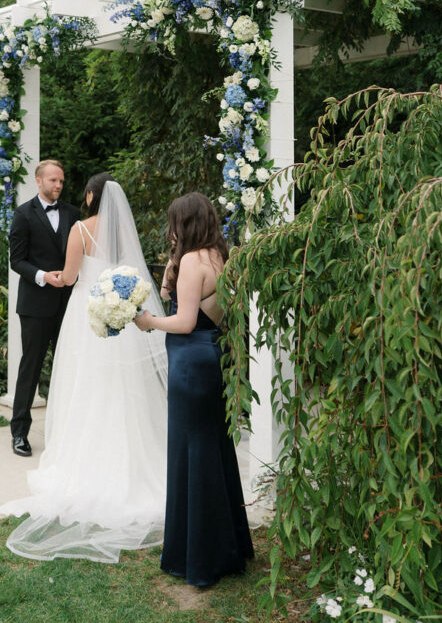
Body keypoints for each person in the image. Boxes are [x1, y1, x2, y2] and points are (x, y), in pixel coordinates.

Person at [1, 175, 168, 562]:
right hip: (121, 320)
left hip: (87, 315)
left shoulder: (80, 228)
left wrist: (58, 277)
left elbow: (72, 276)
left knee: (86, 383)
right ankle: (132, 457)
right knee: (125, 387)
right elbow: (133, 275)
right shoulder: (124, 234)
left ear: (91, 196)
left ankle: (84, 456)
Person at [135, 191, 254, 586]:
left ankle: (199, 558)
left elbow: (184, 321)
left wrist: (149, 321)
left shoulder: (191, 261)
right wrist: (171, 269)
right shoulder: (219, 255)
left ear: (182, 223)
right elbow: (194, 305)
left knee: (191, 455)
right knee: (214, 451)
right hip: (213, 355)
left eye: (173, 222)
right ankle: (228, 547)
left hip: (190, 362)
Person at [8, 159, 80, 456]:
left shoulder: (73, 214)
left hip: (68, 304)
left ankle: (66, 432)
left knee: (68, 367)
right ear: (38, 181)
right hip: (36, 305)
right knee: (31, 367)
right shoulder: (23, 214)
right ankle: (20, 433)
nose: (58, 185)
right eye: (53, 180)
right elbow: (17, 260)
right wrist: (42, 277)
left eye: (61, 181)